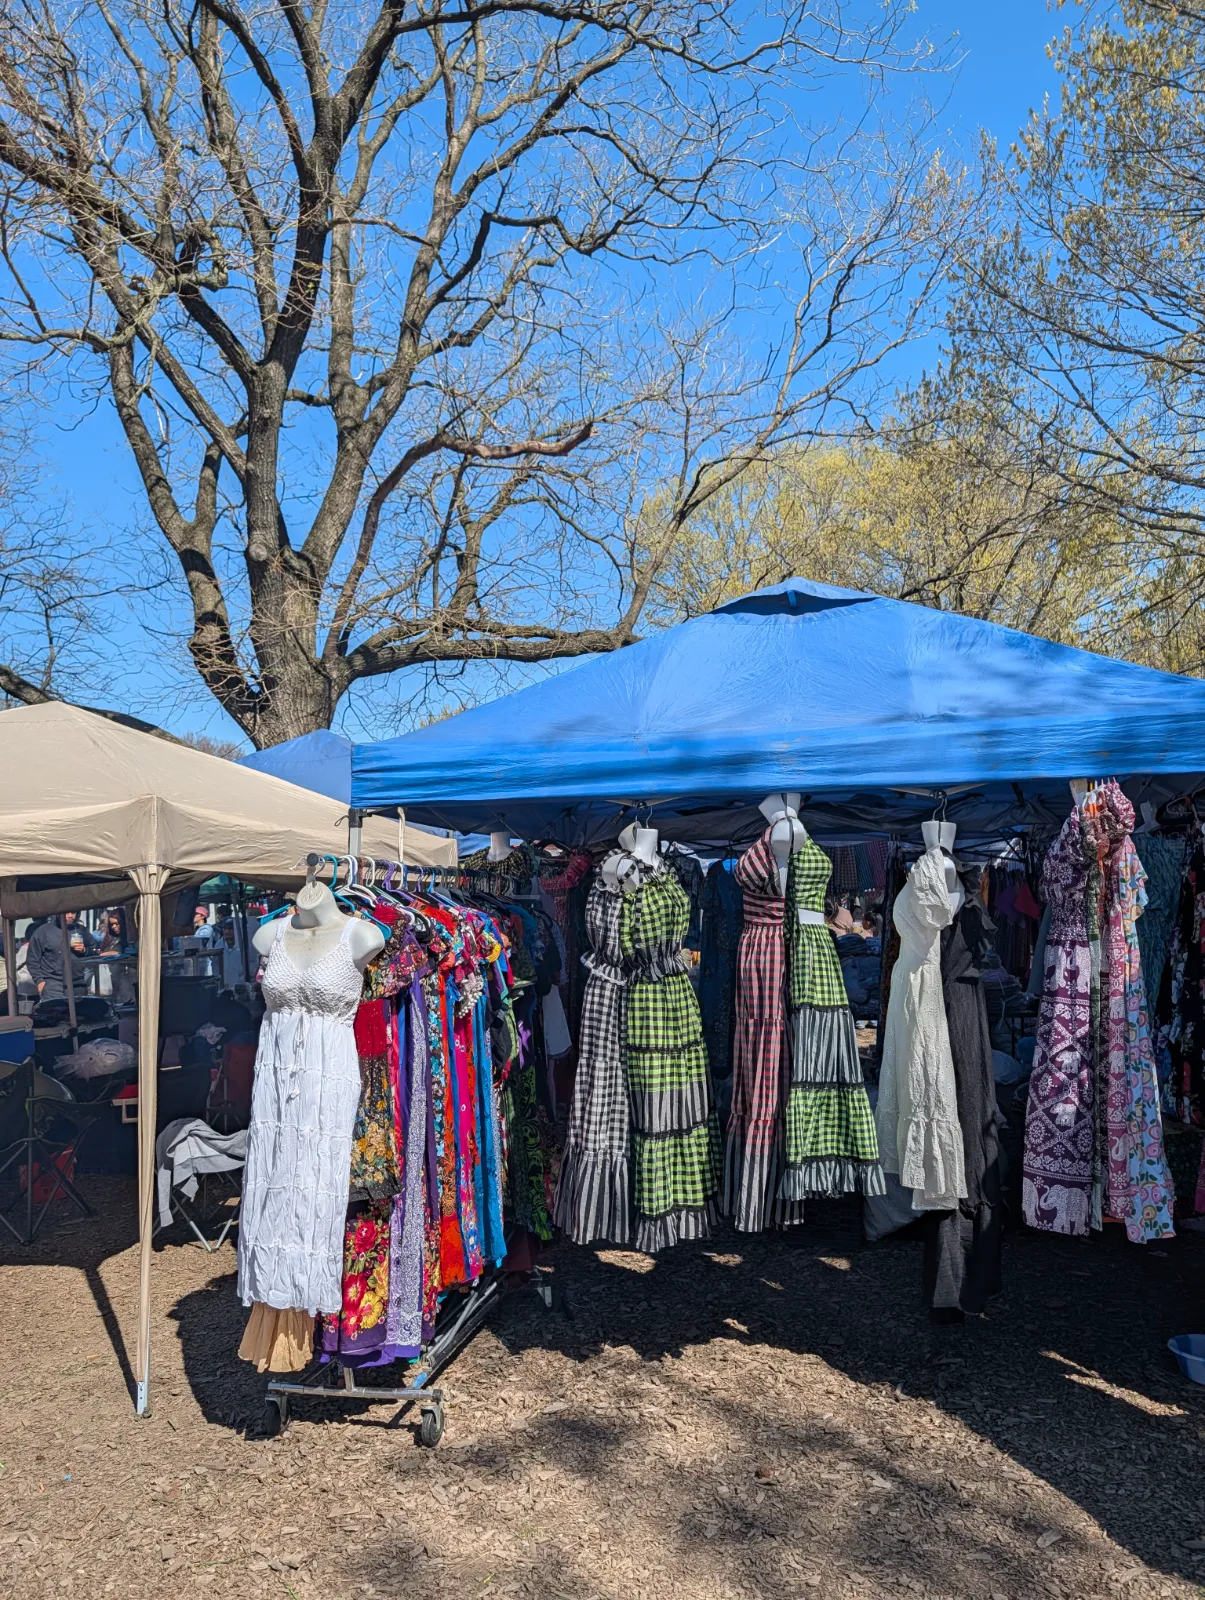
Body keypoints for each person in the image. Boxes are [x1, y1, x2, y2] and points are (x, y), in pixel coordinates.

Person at [26, 911, 95, 1000]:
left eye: (73, 912)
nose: (70, 916)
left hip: (78, 984)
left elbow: (95, 951)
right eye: (66, 913)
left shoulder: (82, 931)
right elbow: (32, 959)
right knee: (54, 1013)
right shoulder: (43, 932)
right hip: (52, 986)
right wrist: (39, 981)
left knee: (79, 1013)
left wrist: (85, 950)